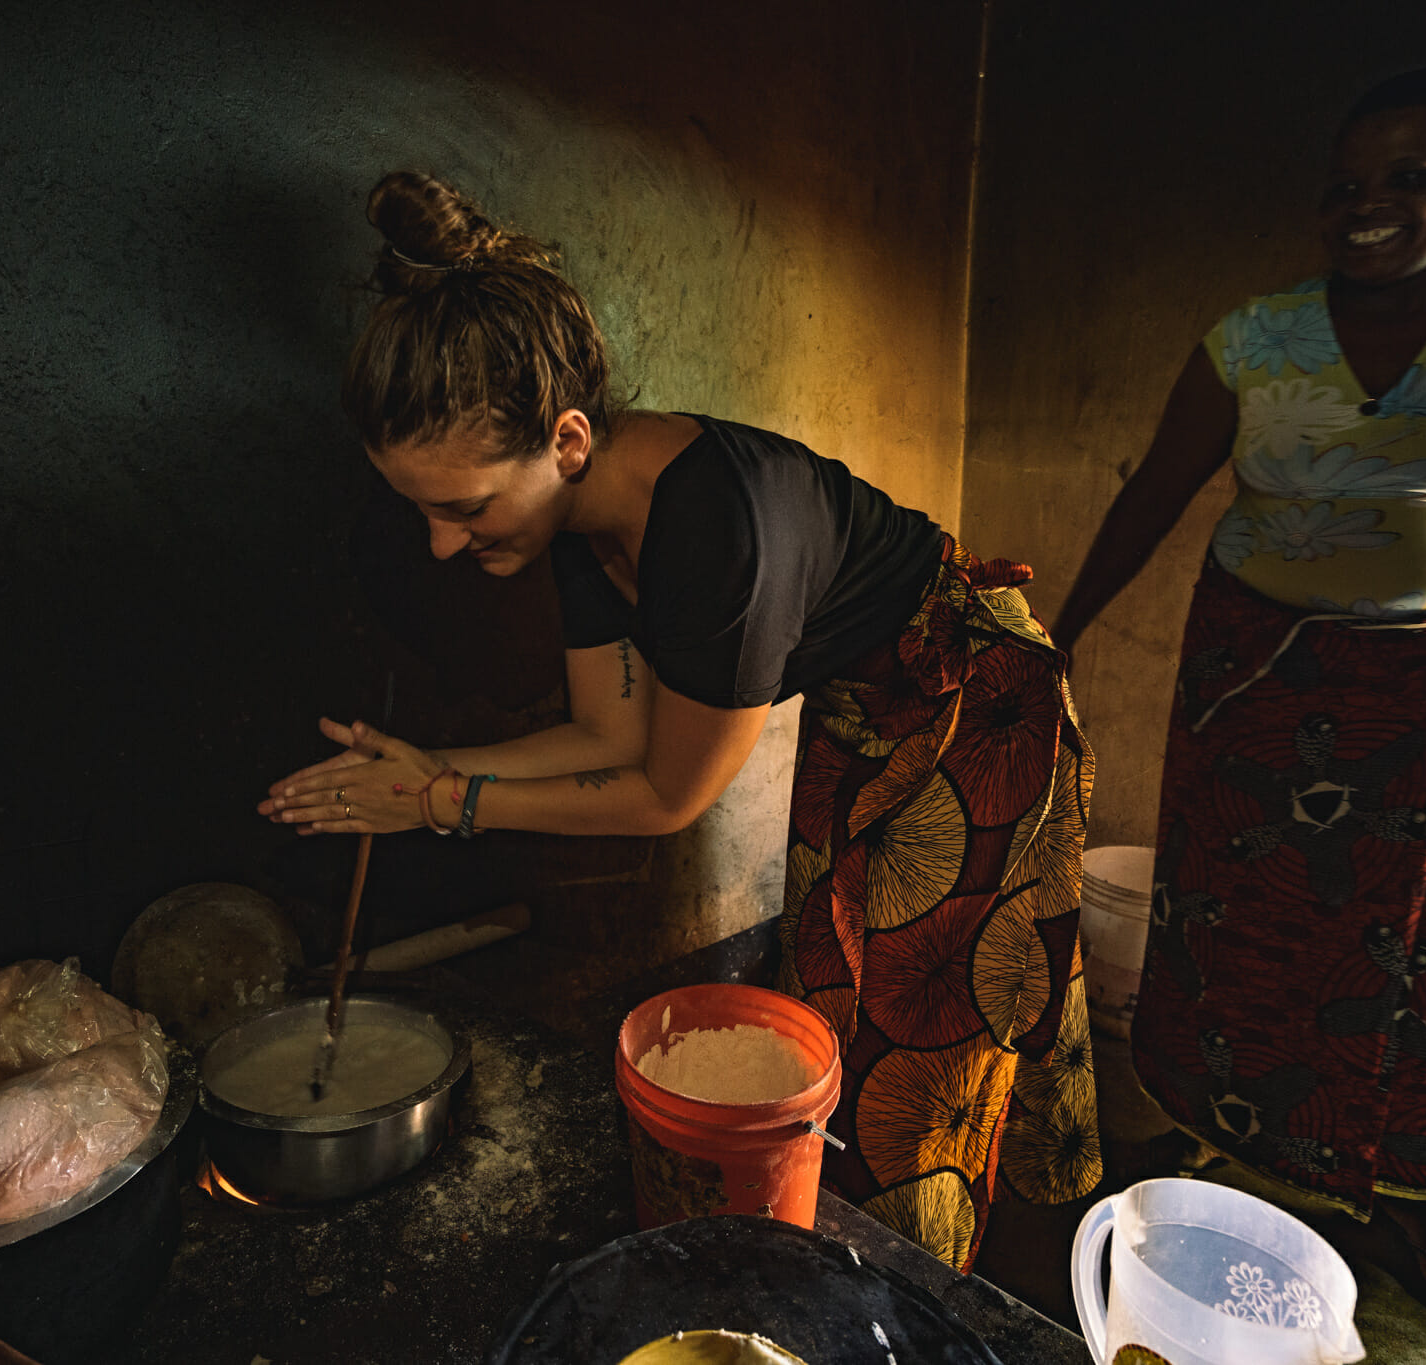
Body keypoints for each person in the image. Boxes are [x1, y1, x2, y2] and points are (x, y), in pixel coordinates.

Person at [257, 170, 1102, 1268]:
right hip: (870, 710)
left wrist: (434, 803)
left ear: (564, 442)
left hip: (976, 705)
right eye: (418, 510)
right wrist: (431, 766)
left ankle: (910, 1296)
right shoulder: (574, 524)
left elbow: (666, 795)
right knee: (835, 986)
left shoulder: (717, 534)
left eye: (461, 509)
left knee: (920, 1046)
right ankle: (847, 1243)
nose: (440, 546)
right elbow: (608, 738)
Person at [1051, 66, 1426, 1341]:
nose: (1372, 208)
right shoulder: (1253, 340)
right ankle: (1198, 1152)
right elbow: (1153, 494)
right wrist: (1053, 635)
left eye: (1414, 177)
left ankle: (1416, 1201)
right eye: (1346, 185)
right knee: (1229, 923)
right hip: (1259, 672)